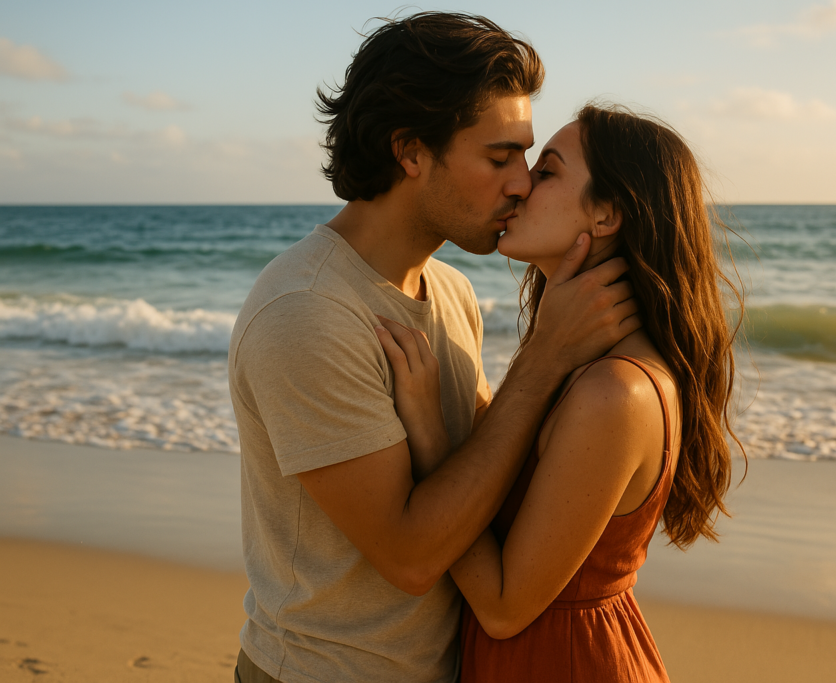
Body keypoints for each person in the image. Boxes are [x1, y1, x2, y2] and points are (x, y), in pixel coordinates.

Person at [227, 14, 640, 683]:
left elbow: (480, 476)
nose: (522, 183)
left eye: (526, 158)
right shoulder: (306, 312)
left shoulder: (449, 289)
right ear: (412, 152)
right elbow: (411, 557)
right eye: (499, 158)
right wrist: (544, 357)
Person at [376, 104, 744, 682]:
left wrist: (429, 434)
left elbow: (503, 607)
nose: (520, 185)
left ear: (606, 213)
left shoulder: (614, 392)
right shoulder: (571, 359)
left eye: (545, 171)